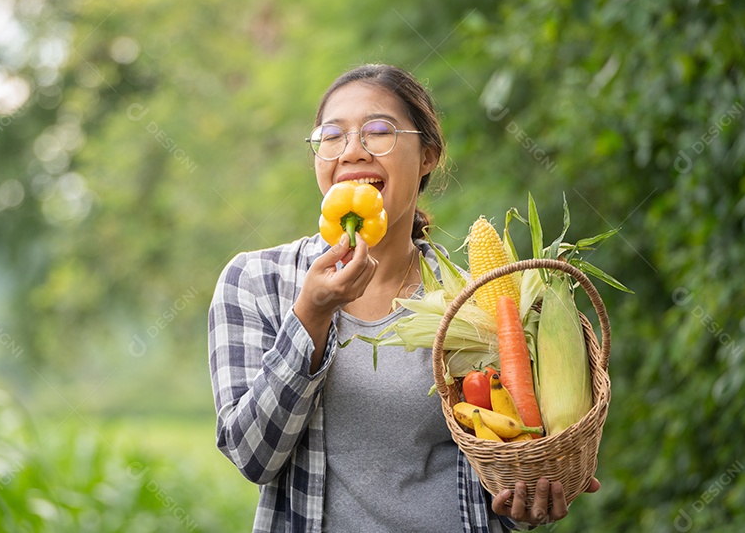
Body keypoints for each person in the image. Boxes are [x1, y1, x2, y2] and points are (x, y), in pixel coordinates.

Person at [208, 64, 598, 532]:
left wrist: (524, 499)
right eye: (331, 136)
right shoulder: (255, 281)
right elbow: (253, 457)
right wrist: (310, 316)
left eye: (379, 131)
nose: (352, 150)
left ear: (428, 155)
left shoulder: (470, 298)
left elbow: (504, 452)